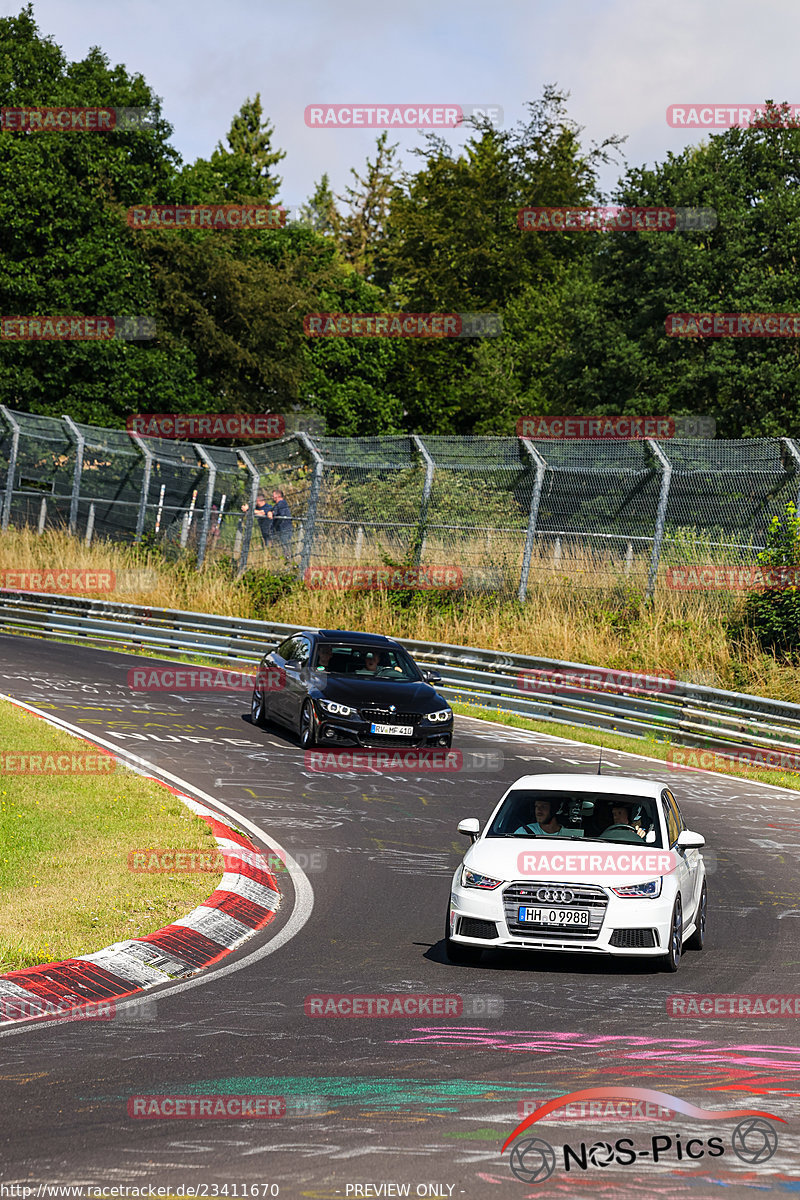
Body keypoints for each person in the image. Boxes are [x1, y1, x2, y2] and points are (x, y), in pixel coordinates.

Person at [266, 488, 293, 560]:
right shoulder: (277, 505)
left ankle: (288, 560)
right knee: (280, 546)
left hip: (284, 529)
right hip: (279, 530)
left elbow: (281, 514)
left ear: (278, 496)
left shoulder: (282, 503)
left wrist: (273, 513)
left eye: (273, 496)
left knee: (285, 546)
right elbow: (272, 510)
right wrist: (270, 512)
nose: (272, 497)